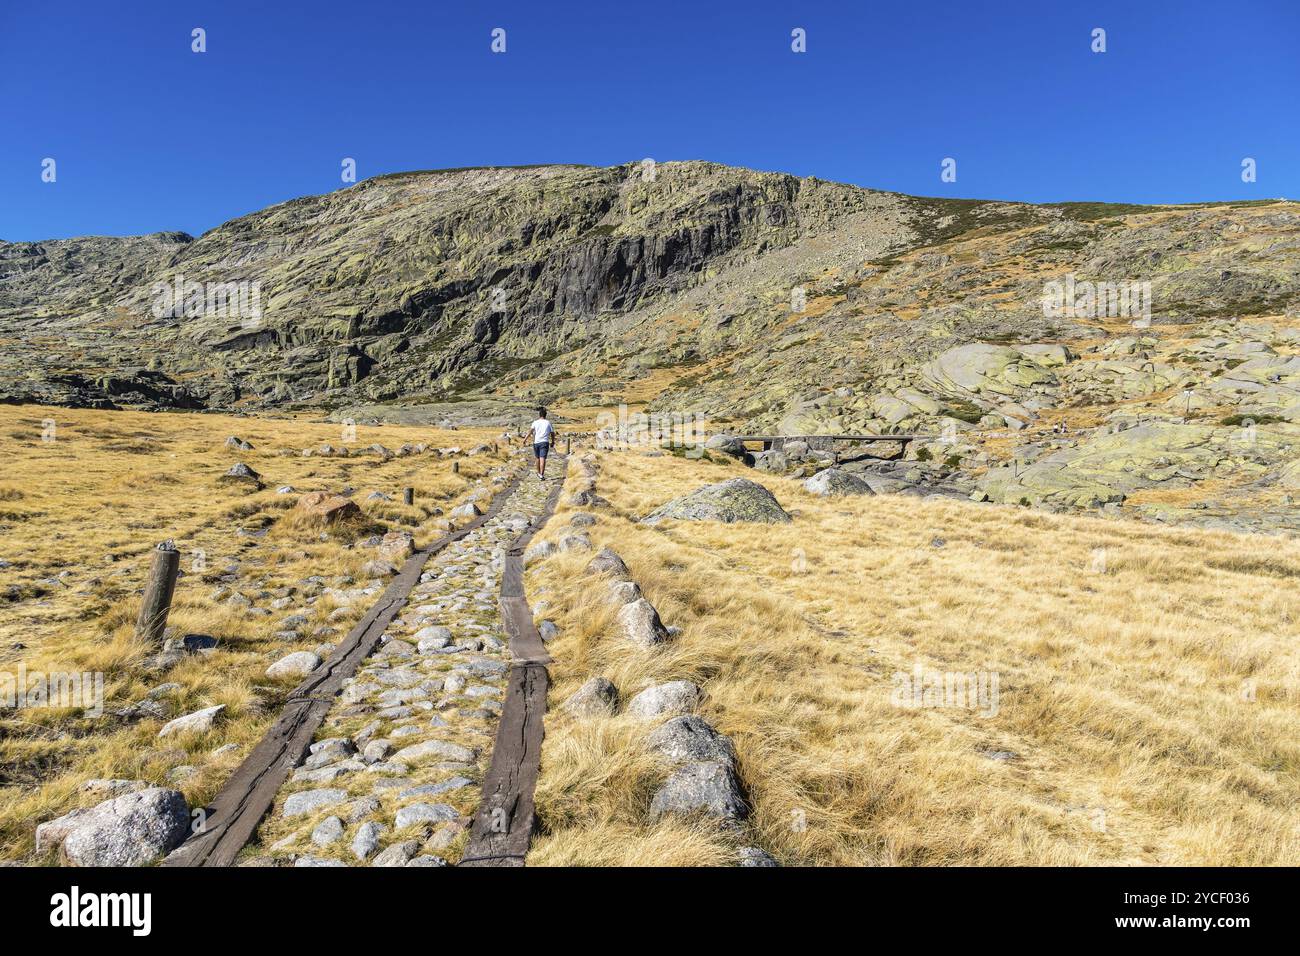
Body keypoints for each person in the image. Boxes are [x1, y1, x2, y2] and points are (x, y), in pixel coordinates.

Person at [529, 407, 555, 478]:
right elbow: (552, 433)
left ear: (539, 415)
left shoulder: (535, 422)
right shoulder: (548, 423)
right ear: (545, 415)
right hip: (544, 442)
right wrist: (553, 442)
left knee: (537, 458)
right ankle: (541, 474)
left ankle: (538, 473)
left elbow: (530, 431)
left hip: (536, 442)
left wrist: (525, 439)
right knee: (542, 458)